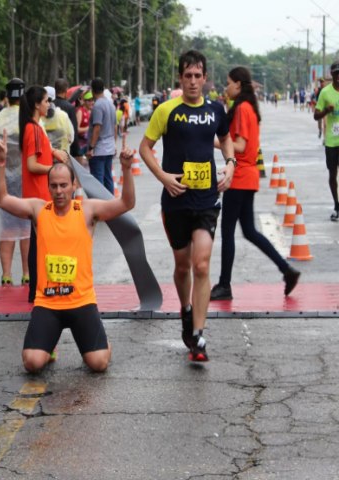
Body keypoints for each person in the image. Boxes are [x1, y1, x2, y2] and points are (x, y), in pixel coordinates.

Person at [0, 131, 136, 373]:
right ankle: (47, 347)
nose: (59, 191)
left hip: (81, 301)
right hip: (48, 303)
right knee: (32, 363)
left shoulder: (87, 210)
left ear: (74, 185)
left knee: (98, 363)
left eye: (64, 186)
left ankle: (100, 343)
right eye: (54, 186)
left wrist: (127, 169)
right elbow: (1, 199)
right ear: (48, 188)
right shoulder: (39, 210)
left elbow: (126, 204)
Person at [138, 50, 235, 362]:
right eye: (188, 75)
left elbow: (226, 138)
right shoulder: (166, 110)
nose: (193, 81)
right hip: (176, 200)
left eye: (198, 75)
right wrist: (163, 176)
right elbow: (145, 147)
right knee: (183, 266)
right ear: (180, 78)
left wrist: (230, 164)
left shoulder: (216, 109)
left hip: (207, 199)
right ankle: (186, 309)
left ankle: (198, 335)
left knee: (202, 265)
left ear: (205, 78)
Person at [210, 66, 301, 301]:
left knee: (228, 232)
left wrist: (213, 142)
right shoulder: (248, 107)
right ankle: (287, 270)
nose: (226, 87)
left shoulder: (241, 108)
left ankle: (224, 285)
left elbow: (239, 146)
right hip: (248, 177)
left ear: (238, 84)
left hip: (240, 177)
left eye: (228, 83)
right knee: (249, 231)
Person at [20, 85, 68, 303]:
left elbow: (39, 155)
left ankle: (37, 289)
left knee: (38, 242)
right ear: (37, 104)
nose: (49, 104)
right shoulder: (34, 129)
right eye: (47, 101)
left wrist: (53, 153)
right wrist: (54, 171)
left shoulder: (34, 127)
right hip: (39, 194)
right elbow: (32, 164)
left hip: (37, 193)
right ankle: (38, 289)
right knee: (41, 244)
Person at [0, 78, 31, 286]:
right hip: (27, 177)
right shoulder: (29, 118)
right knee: (27, 226)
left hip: (3, 177)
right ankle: (27, 273)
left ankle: (6, 275)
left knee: (6, 228)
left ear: (7, 96)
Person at [314, 61, 339, 221]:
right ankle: (337, 206)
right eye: (336, 74)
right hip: (331, 141)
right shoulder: (325, 92)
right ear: (332, 75)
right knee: (333, 174)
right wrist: (326, 111)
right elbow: (316, 115)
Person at [86, 77, 117, 192]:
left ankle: (100, 205)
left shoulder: (98, 106)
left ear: (92, 90)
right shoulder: (111, 105)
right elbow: (115, 126)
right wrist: (114, 144)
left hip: (99, 149)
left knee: (98, 180)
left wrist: (91, 147)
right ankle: (110, 204)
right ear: (103, 89)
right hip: (109, 147)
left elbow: (97, 127)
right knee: (108, 178)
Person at [53, 78, 80, 158]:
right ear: (66, 90)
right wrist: (76, 151)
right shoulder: (69, 107)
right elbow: (73, 130)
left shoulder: (49, 105)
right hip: (66, 148)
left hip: (52, 147)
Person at [43, 86, 75, 153]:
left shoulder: (37, 117)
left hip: (44, 156)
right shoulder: (63, 115)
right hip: (62, 156)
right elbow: (71, 137)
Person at [76, 90, 93, 161]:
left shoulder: (91, 111)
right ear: (84, 102)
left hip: (89, 145)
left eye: (92, 100)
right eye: (89, 100)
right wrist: (88, 128)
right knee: (81, 169)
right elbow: (77, 129)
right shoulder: (80, 111)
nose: (91, 102)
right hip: (81, 146)